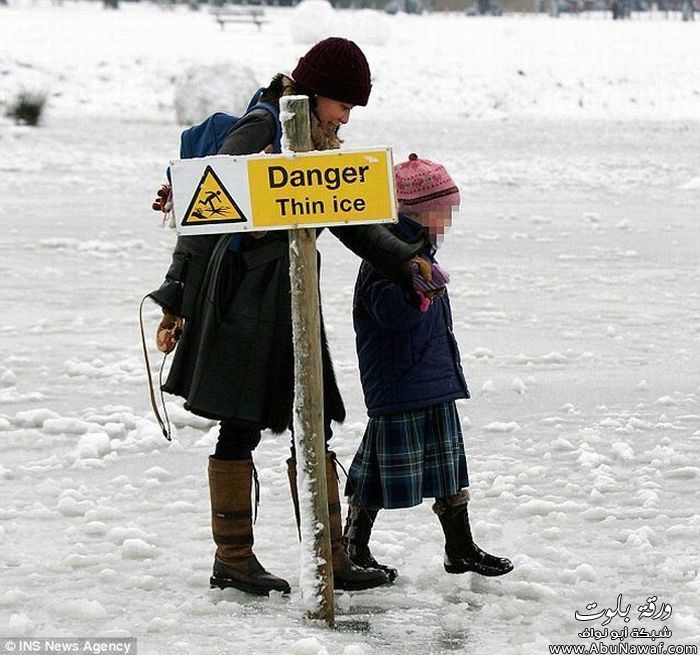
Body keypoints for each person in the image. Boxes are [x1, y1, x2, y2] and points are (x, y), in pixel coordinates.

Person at [148, 38, 432, 596]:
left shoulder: (310, 143)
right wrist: (176, 299)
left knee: (314, 421)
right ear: (315, 93)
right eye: (343, 107)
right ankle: (233, 558)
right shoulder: (260, 130)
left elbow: (351, 218)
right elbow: (203, 214)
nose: (345, 120)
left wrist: (404, 259)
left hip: (288, 299)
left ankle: (327, 557)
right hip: (242, 304)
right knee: (242, 426)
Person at [342, 154, 514, 581]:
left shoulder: (419, 249)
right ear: (417, 210)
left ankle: (460, 549)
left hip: (428, 376)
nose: (449, 219)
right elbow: (386, 313)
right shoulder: (388, 252)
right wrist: (419, 294)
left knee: (447, 466)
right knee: (378, 472)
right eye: (444, 209)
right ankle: (353, 546)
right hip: (400, 381)